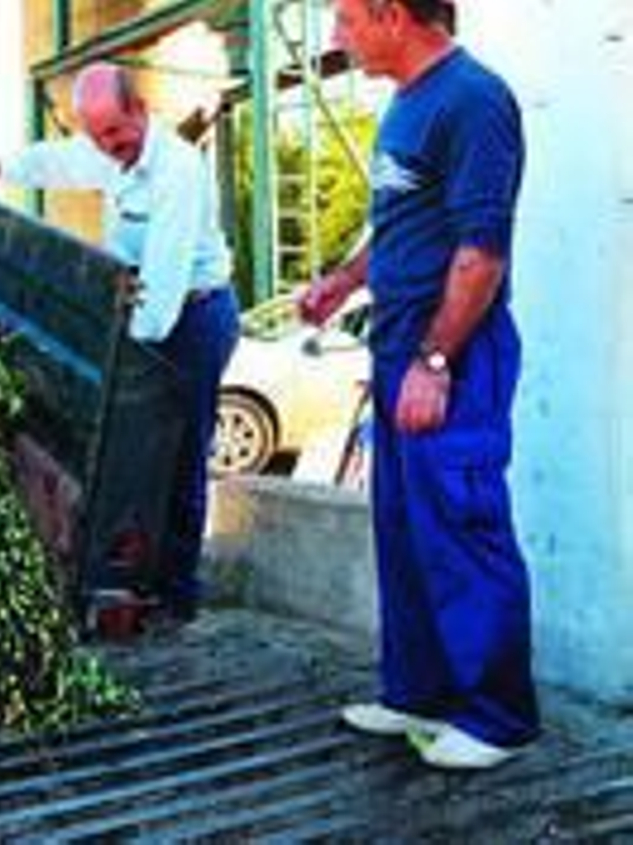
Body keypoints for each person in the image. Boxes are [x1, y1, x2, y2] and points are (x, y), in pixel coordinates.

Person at [300, 0, 537, 770]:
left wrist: (435, 361)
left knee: (462, 523)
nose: (337, 37)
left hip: (453, 349)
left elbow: (482, 252)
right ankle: (420, 692)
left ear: (392, 14)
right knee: (406, 528)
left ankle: (498, 717)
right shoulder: (407, 104)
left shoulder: (473, 100)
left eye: (346, 19)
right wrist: (344, 281)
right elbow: (405, 227)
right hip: (399, 345)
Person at [0, 62, 239, 626]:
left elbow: (162, 296)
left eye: (115, 133)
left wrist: (108, 362)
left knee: (178, 454)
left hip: (193, 320)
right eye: (97, 136)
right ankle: (123, 580)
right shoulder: (106, 150)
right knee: (127, 455)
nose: (108, 147)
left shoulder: (177, 172)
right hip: (141, 312)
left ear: (140, 111)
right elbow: (50, 161)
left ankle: (176, 595)